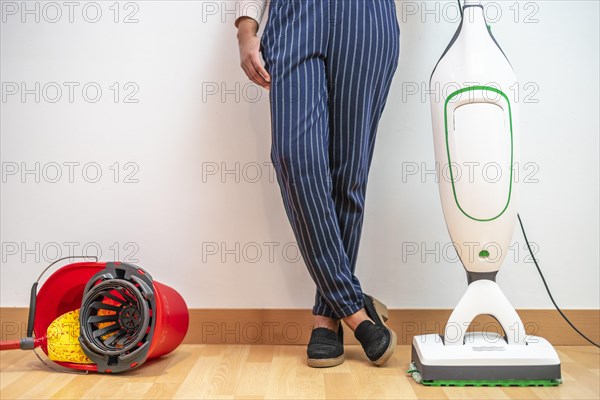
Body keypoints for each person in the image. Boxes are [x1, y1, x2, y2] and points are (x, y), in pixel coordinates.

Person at [235, 0, 400, 367]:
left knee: (348, 173)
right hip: (294, 16)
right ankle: (355, 309)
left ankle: (326, 319)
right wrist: (246, 28)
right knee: (294, 159)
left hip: (367, 19)